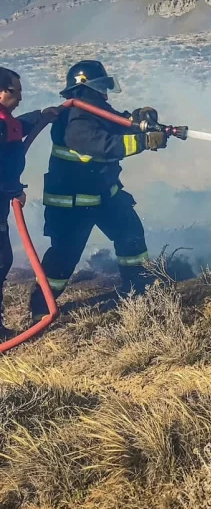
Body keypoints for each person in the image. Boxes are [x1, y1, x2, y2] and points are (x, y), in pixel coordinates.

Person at [28, 60, 167, 323]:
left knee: (130, 235)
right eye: (100, 85)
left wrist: (138, 120)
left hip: (104, 196)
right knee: (63, 257)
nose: (105, 91)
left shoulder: (95, 110)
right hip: (72, 205)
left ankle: (138, 288)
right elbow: (103, 145)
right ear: (85, 89)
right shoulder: (73, 119)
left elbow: (116, 123)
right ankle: (40, 307)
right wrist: (144, 141)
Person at [0, 67, 61, 339]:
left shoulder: (6, 120)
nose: (21, 98)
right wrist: (12, 187)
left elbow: (17, 127)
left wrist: (41, 116)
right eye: (16, 92)